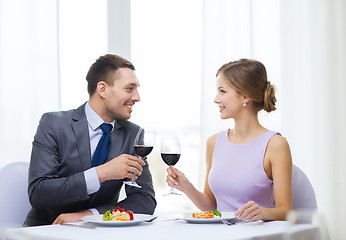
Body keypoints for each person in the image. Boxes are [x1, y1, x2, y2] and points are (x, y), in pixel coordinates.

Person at [24, 54, 156, 226]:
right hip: (48, 229)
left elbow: (145, 200)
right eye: (129, 89)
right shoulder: (54, 124)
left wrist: (91, 215)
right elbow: (39, 193)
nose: (137, 97)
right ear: (102, 89)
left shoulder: (133, 134)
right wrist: (103, 173)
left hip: (101, 233)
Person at [166, 59, 292, 221]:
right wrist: (186, 187)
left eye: (222, 91)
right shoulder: (214, 142)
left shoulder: (275, 144)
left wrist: (262, 212)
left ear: (245, 96)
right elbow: (211, 206)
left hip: (256, 235)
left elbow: (286, 211)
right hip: (220, 234)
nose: (216, 99)